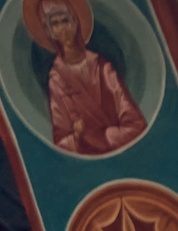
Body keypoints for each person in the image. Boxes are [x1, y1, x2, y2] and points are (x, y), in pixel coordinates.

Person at [29, 0, 146, 156]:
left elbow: (135, 123)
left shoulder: (102, 68)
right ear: (50, 32)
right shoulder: (56, 80)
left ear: (76, 22)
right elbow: (61, 141)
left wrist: (106, 137)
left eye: (65, 20)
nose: (63, 29)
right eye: (55, 24)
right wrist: (77, 136)